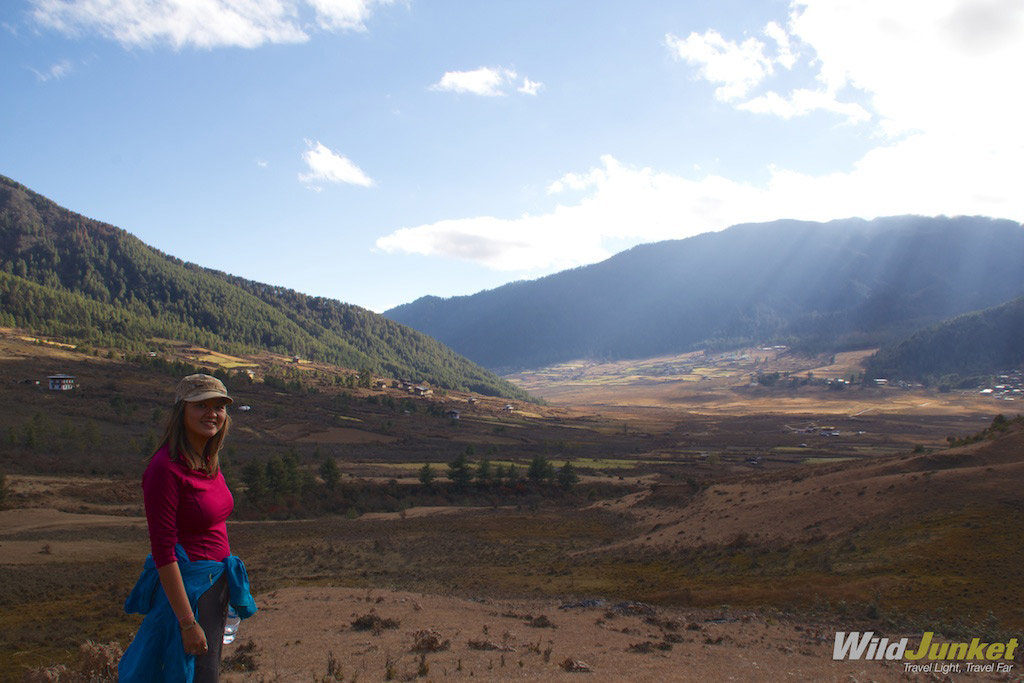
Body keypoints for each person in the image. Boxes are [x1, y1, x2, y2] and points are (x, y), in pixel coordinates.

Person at [119, 374, 256, 683]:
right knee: (194, 675)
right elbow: (163, 552)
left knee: (203, 673)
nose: (213, 413)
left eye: (219, 406)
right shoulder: (164, 469)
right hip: (189, 593)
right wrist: (186, 622)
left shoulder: (208, 461)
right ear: (181, 410)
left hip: (214, 587)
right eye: (201, 405)